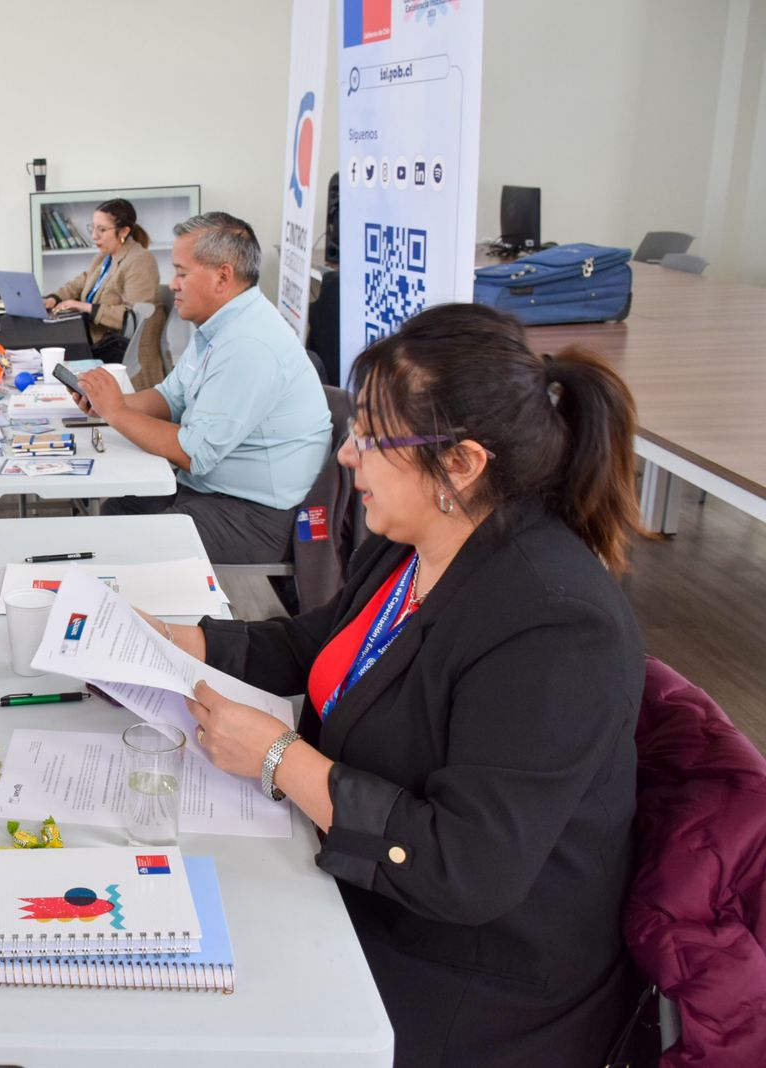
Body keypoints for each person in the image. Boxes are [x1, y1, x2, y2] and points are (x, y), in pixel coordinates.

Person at [157, 303, 647, 1066]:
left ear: (462, 464)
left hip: (469, 981)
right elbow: (317, 647)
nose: (347, 456)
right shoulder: (416, 542)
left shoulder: (554, 626)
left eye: (373, 438)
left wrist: (282, 758)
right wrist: (174, 641)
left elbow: (466, 866)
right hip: (371, 894)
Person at [76, 211, 331, 563]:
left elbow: (195, 454)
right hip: (216, 490)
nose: (173, 284)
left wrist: (117, 413)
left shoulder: (249, 343)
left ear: (222, 276)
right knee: (119, 511)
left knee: (131, 545)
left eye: (182, 273)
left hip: (260, 515)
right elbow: (170, 397)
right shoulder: (219, 326)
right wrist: (109, 402)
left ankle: (172, 617)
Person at [41, 197, 160, 358]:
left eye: (102, 230)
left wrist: (85, 307)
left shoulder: (141, 260)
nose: (94, 236)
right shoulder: (104, 257)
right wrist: (54, 298)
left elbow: (134, 318)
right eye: (93, 228)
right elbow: (79, 283)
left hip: (121, 352)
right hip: (95, 342)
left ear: (124, 231)